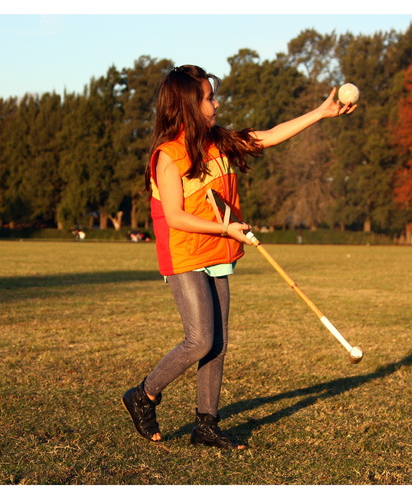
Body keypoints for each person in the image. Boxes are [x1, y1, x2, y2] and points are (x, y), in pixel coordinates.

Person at [122, 65, 356, 449]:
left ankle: (206, 424)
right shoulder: (169, 155)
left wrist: (320, 112)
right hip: (185, 253)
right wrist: (226, 228)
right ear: (188, 105)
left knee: (218, 342)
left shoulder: (219, 142)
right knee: (200, 340)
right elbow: (176, 216)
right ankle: (143, 394)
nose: (216, 104)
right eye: (208, 98)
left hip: (218, 249)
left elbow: (267, 137)